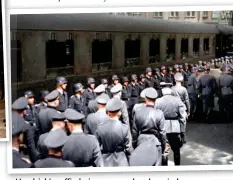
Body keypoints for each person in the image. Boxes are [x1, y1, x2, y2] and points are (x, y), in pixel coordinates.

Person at [132, 87, 166, 166]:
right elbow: (162, 132)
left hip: (141, 141)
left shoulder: (138, 112)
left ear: (146, 98)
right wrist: (163, 146)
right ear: (155, 100)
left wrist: (134, 144)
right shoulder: (159, 113)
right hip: (155, 142)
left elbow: (134, 131)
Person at [155, 83, 186, 166]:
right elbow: (183, 118)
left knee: (165, 151)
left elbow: (155, 117)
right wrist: (182, 132)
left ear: (162, 90)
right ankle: (177, 168)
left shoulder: (158, 101)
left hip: (163, 128)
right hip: (175, 128)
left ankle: (165, 170)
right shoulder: (177, 100)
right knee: (176, 150)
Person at [96, 98, 131, 166]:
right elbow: (128, 148)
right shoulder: (124, 128)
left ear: (108, 112)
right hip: (121, 160)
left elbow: (97, 147)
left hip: (105, 161)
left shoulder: (100, 128)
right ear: (119, 113)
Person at [12, 97, 38, 163]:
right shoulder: (26, 126)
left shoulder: (7, 122)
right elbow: (31, 147)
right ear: (24, 111)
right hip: (22, 156)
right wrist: (35, 162)